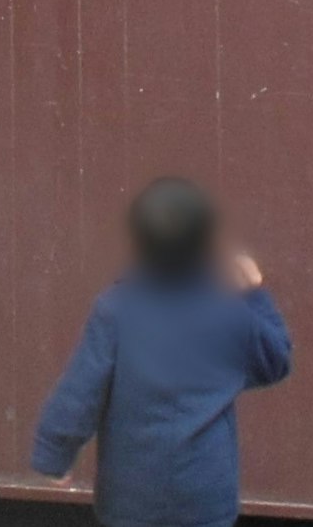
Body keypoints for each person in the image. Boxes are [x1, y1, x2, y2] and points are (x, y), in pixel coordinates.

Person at [27, 179, 292, 527]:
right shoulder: (227, 312)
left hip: (130, 500)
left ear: (137, 243)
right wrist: (255, 294)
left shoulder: (116, 310)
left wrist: (54, 455)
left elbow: (80, 391)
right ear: (208, 247)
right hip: (205, 498)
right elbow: (276, 360)